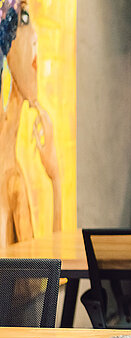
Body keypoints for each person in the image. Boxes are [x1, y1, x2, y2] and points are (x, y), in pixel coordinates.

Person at [0, 0, 61, 247]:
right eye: (23, 19)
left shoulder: (11, 176)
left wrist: (55, 177)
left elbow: (39, 277)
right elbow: (41, 280)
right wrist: (56, 180)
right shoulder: (9, 178)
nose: (35, 37)